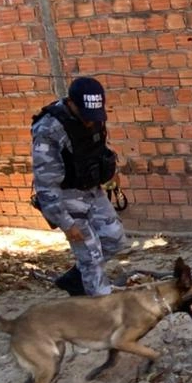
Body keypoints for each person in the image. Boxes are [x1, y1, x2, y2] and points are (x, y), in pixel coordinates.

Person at [30, 76, 129, 296]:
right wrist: (65, 222)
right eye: (86, 116)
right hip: (65, 196)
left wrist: (112, 173)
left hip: (92, 190)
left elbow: (99, 148)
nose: (90, 121)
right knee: (91, 255)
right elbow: (45, 183)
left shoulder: (94, 117)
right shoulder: (49, 128)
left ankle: (76, 280)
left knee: (114, 238)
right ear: (72, 103)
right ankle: (100, 307)